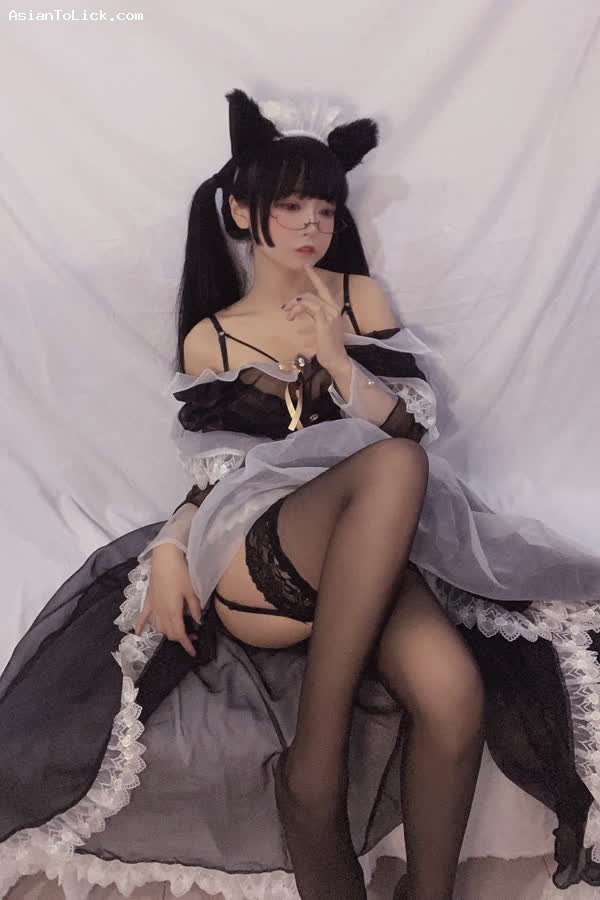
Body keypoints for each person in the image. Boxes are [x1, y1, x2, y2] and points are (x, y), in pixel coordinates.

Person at [1, 88, 599, 900]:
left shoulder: (358, 301)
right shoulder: (212, 336)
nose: (313, 224)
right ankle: (312, 772)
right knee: (394, 470)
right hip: (255, 554)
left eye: (325, 208)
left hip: (366, 550)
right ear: (242, 211)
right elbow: (216, 471)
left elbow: (410, 433)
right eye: (291, 207)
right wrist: (173, 546)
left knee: (454, 694)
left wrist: (338, 357)